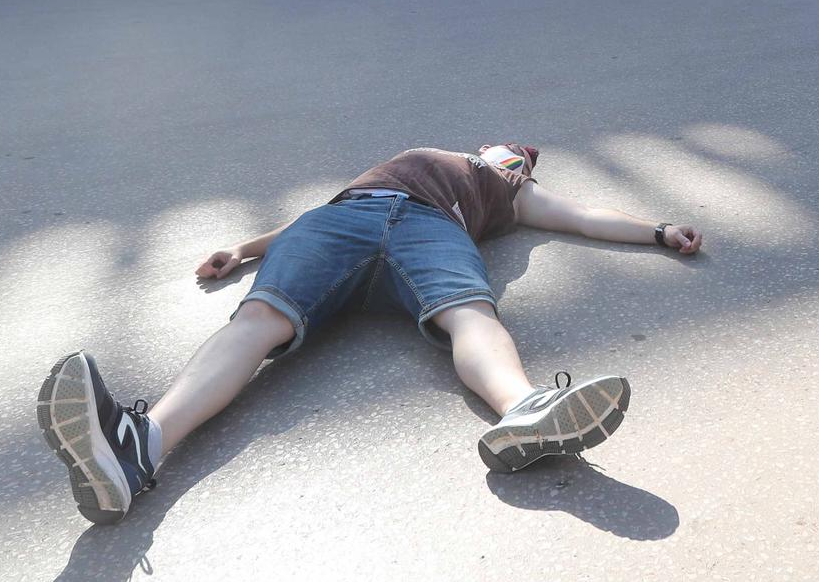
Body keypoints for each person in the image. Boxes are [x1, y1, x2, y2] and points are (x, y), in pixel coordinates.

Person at [36, 144, 705, 525]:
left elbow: (584, 216)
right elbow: (311, 214)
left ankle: (525, 410)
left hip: (428, 229)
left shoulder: (508, 194)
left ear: (523, 170)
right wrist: (243, 249)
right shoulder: (415, 161)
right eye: (505, 149)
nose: (509, 156)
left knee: (470, 311)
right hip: (338, 221)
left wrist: (656, 228)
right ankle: (138, 446)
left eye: (519, 159)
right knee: (258, 317)